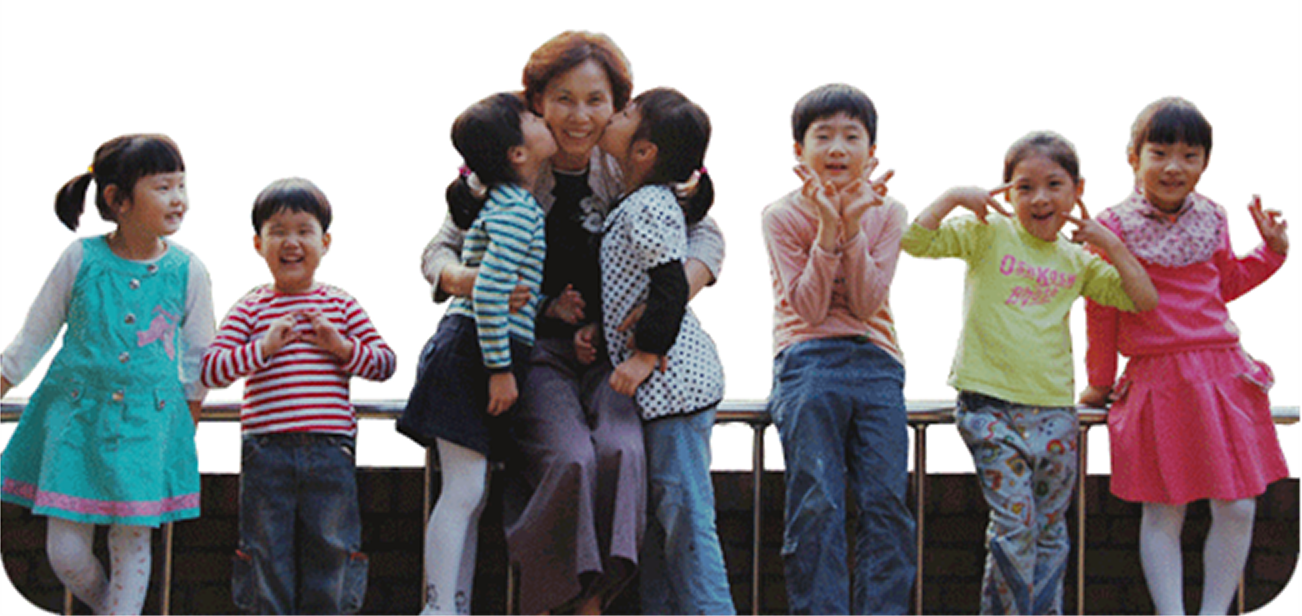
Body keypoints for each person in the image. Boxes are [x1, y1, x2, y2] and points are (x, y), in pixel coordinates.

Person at [419, 31, 725, 615]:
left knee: (622, 452)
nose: (579, 116)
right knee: (569, 457)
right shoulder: (511, 165)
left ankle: (600, 596)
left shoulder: (630, 166)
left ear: (618, 107)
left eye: (596, 101)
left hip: (614, 356)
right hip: (535, 353)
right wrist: (471, 282)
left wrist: (662, 306)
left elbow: (705, 236)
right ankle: (555, 597)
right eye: (563, 99)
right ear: (536, 102)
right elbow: (439, 251)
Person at [900, 131, 1159, 615]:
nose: (1040, 198)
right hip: (989, 407)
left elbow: (1142, 299)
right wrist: (955, 196)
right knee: (1015, 526)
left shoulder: (1078, 259)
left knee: (1050, 532)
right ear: (1007, 193)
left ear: (1077, 190)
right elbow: (913, 240)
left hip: (1054, 411)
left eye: (1054, 185)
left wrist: (1111, 244)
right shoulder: (988, 233)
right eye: (1024, 187)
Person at [1080, 97, 1289, 616]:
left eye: (1190, 155)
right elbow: (1101, 311)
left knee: (1238, 506)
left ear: (1205, 162)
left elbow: (1224, 283)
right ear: (1133, 157)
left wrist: (1273, 252)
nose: (1174, 166)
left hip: (1222, 371)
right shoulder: (1110, 228)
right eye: (1160, 153)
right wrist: (1099, 383)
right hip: (1158, 376)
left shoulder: (1214, 216)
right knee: (1164, 509)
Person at [0, 134, 214, 615]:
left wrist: (186, 421)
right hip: (75, 421)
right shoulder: (81, 259)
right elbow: (33, 336)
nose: (178, 198)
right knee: (66, 554)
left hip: (147, 425)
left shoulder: (189, 271)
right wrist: (5, 379)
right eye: (163, 187)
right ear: (118, 199)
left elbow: (199, 358)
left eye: (181, 185)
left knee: (132, 545)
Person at [200, 177, 397, 615]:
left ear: (325, 242)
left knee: (333, 549)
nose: (291, 242)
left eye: (304, 231)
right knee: (265, 553)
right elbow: (212, 369)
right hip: (266, 451)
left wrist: (341, 347)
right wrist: (263, 347)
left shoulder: (341, 306)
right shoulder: (251, 307)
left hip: (331, 450)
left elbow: (385, 363)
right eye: (278, 231)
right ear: (258, 243)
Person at [396, 92, 554, 615]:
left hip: (476, 348)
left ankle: (453, 604)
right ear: (517, 153)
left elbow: (510, 290)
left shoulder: (507, 203)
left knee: (472, 491)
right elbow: (487, 292)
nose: (543, 119)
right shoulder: (515, 210)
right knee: (464, 490)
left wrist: (549, 308)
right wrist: (500, 369)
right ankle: (438, 606)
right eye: (532, 118)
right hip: (474, 353)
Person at [760, 83, 915, 615]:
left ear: (872, 152)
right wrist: (829, 227)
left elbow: (868, 303)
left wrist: (853, 229)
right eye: (822, 136)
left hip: (876, 362)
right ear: (799, 150)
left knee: (886, 503)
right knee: (816, 501)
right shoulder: (781, 216)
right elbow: (808, 309)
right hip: (806, 360)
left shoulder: (889, 212)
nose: (837, 148)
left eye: (852, 136)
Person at [597, 87, 733, 615]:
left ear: (644, 151)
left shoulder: (649, 205)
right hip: (664, 395)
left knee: (686, 519)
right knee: (661, 521)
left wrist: (644, 356)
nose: (615, 114)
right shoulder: (637, 202)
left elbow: (670, 284)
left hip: (674, 389)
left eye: (628, 112)